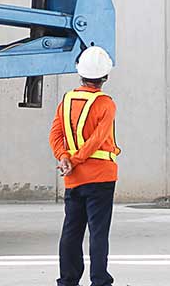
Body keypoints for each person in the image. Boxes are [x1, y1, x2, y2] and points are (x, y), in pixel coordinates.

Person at [50, 46, 120, 286]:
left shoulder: (66, 101)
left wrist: (64, 158)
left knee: (71, 230)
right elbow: (98, 140)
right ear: (105, 76)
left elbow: (55, 135)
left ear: (80, 73)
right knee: (98, 233)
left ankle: (67, 281)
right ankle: (100, 281)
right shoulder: (106, 104)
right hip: (100, 177)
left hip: (73, 178)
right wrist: (77, 159)